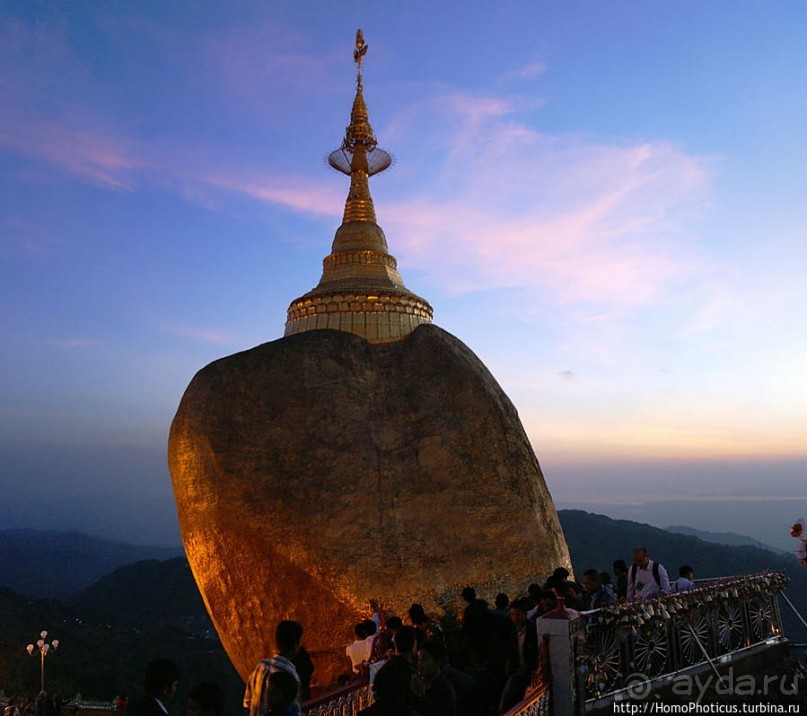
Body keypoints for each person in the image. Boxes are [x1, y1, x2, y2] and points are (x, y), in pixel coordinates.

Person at [243, 620, 304, 716]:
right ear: (295, 645)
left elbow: (247, 703)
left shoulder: (260, 666)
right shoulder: (290, 675)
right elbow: (295, 709)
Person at [499, 598, 538, 713]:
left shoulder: (533, 631)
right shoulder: (511, 631)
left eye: (517, 615)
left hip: (530, 674)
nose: (514, 618)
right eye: (512, 614)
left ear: (525, 614)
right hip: (516, 673)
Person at [413, 640, 457, 716]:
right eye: (419, 659)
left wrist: (421, 695)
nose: (419, 663)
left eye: (424, 659)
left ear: (437, 664)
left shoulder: (444, 689)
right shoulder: (424, 683)